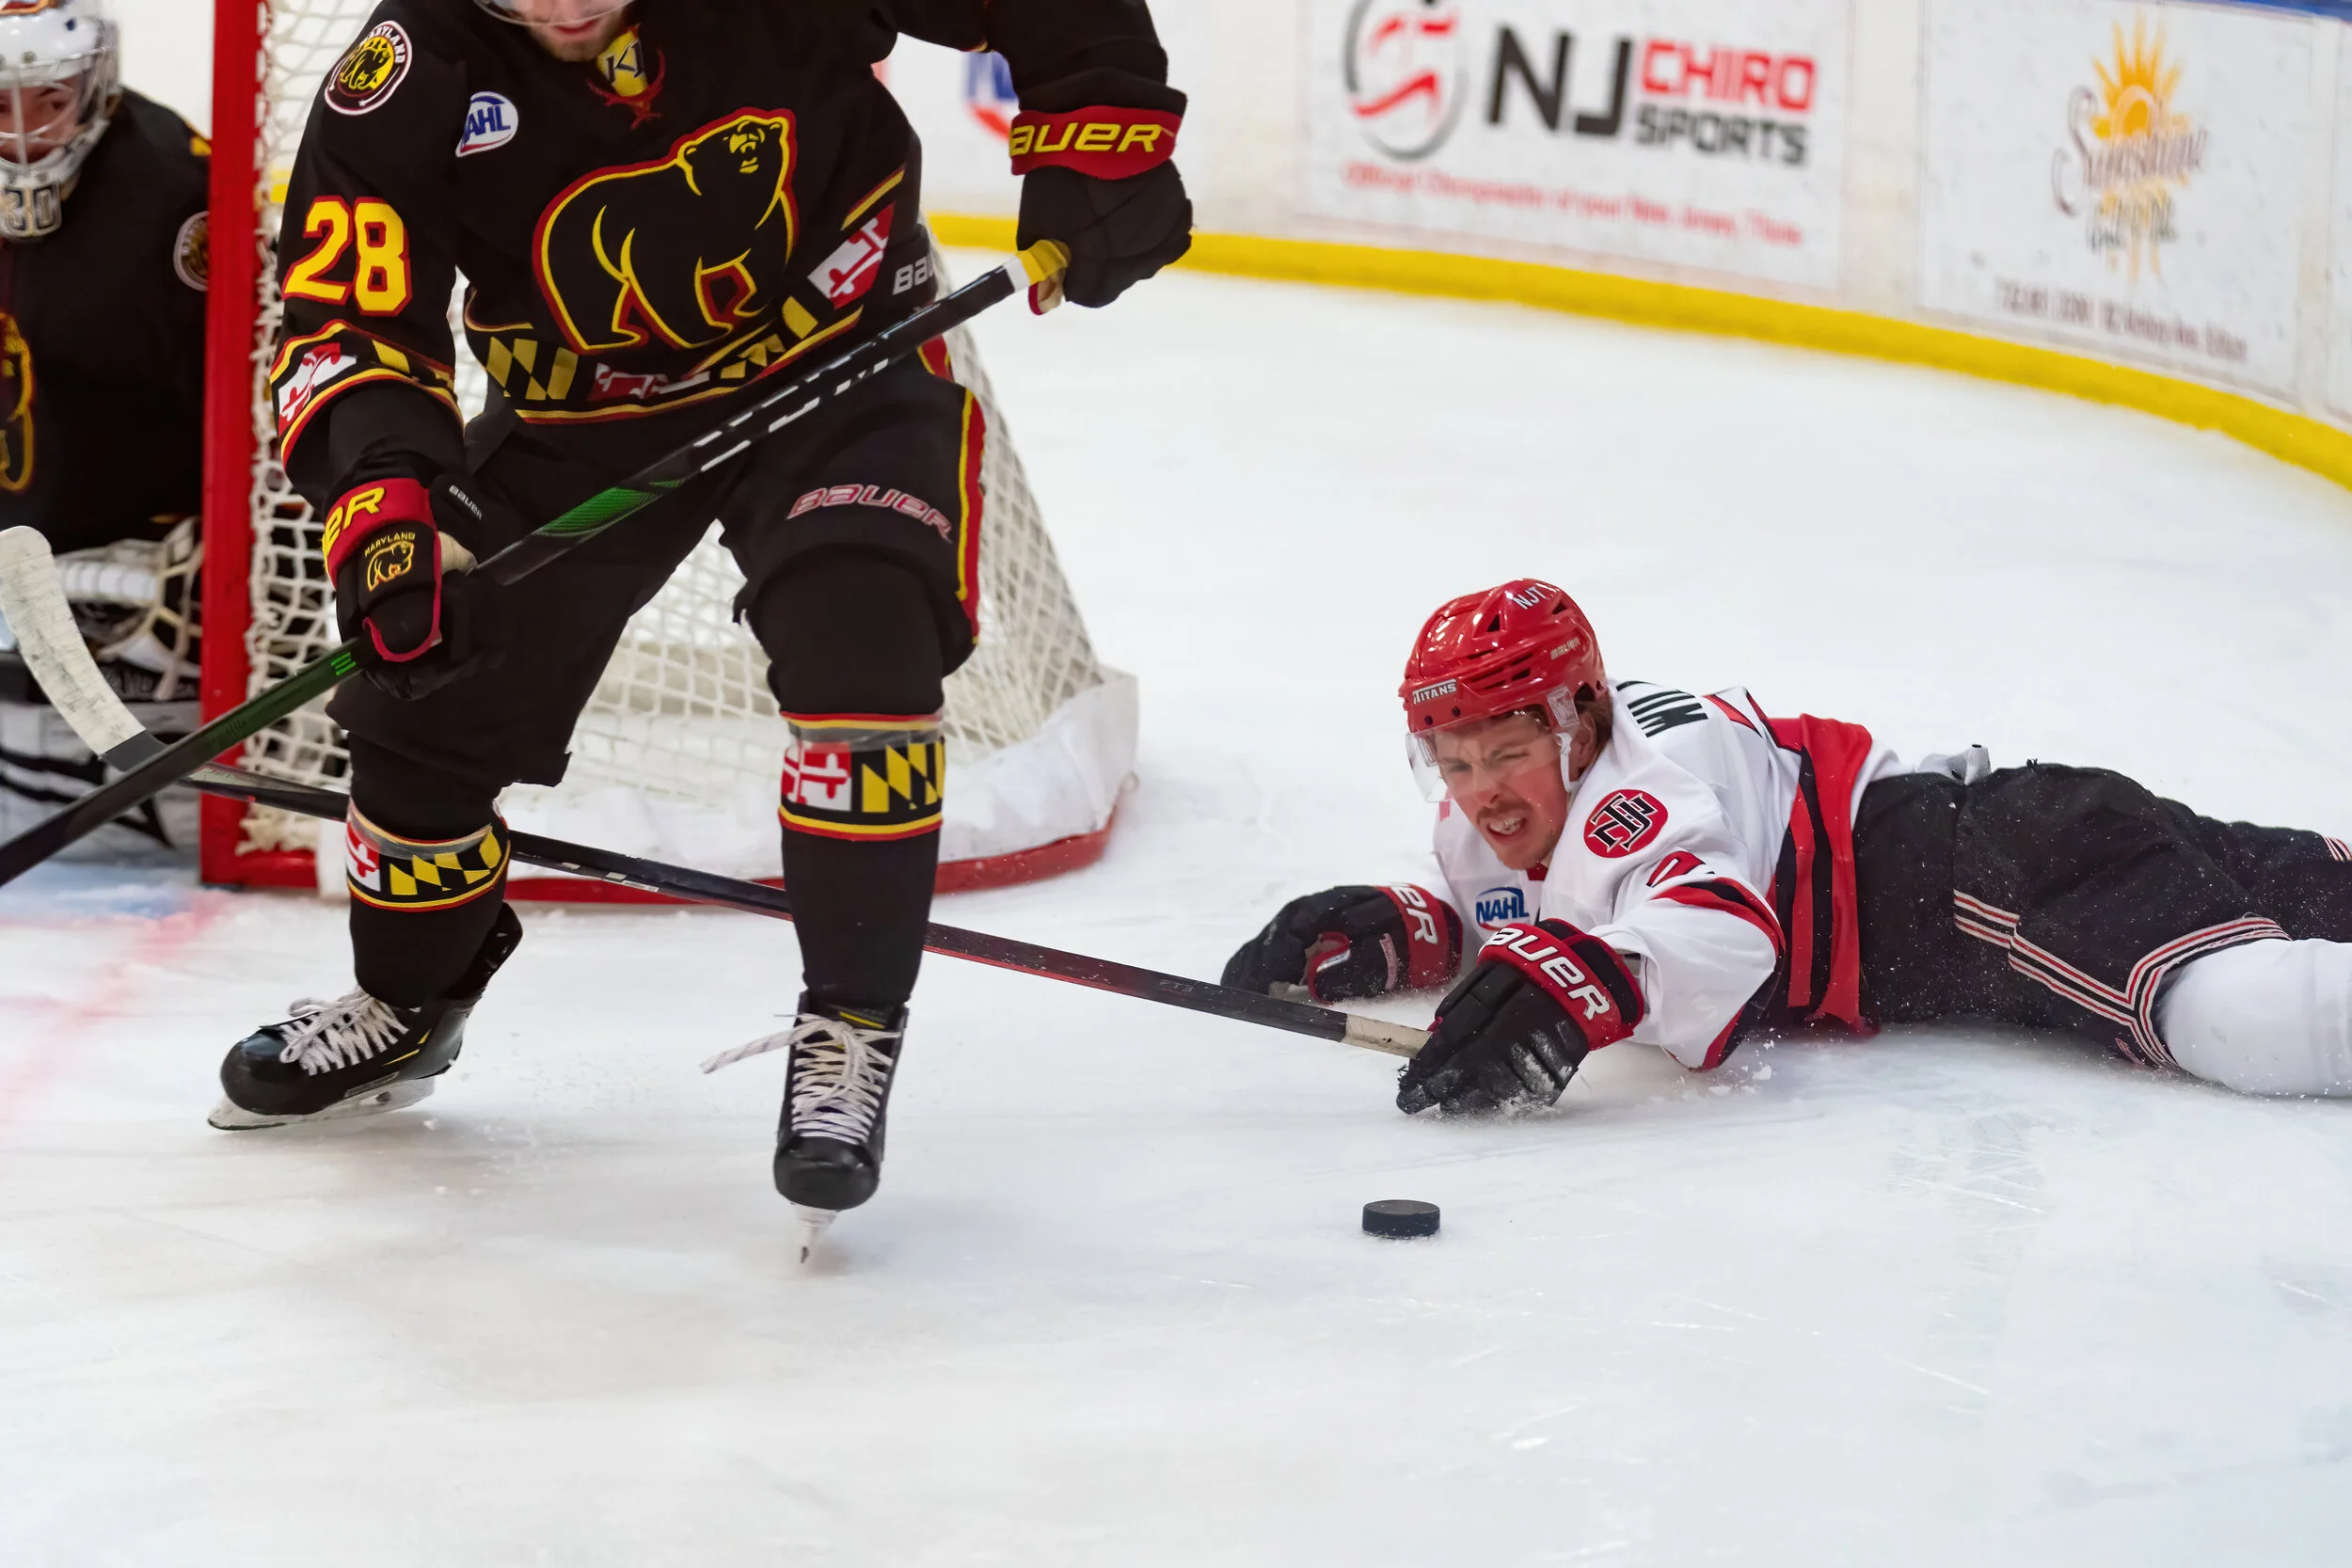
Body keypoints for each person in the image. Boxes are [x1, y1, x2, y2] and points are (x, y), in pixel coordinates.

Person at [215, 0, 1193, 1244]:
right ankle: (408, 1000)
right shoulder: (409, 67)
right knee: (422, 706)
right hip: (581, 412)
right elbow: (348, 320)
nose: (565, 5)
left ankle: (849, 1025)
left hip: (844, 366)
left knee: (861, 646)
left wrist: (1103, 137)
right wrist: (393, 507)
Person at [1224, 578, 2352, 1114]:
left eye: (1504, 753)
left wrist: (1589, 977)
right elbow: (1532, 906)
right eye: (1453, 762)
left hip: (1994, 876)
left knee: (2244, 1016)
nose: (1480, 794)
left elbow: (1723, 935)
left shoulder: (1644, 788)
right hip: (2028, 829)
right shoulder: (1515, 807)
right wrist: (1413, 924)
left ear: (1577, 721)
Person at [0, 0, 207, 785]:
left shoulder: (173, 190)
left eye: (50, 100)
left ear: (96, 84)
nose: (25, 136)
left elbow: (252, 402)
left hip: (133, 584)